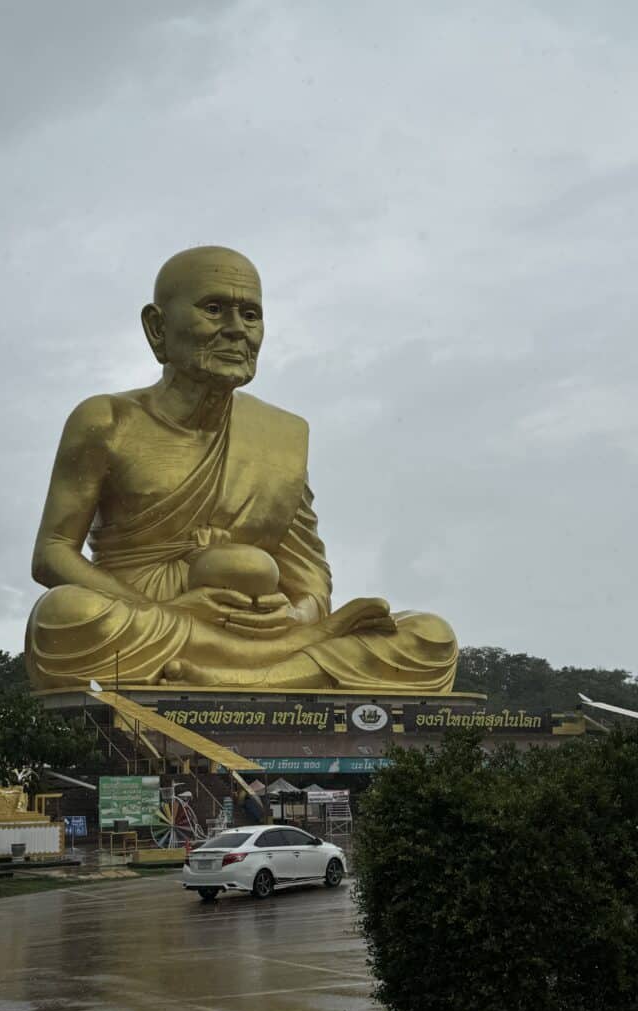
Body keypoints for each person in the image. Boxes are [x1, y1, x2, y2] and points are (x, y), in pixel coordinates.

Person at [25, 247, 457, 692]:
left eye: (251, 315)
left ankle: (233, 674)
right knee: (63, 616)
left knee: (430, 636)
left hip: (265, 631)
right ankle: (269, 676)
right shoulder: (107, 420)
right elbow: (53, 552)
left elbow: (308, 577)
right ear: (157, 328)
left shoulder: (280, 435)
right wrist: (171, 612)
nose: (236, 331)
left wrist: (298, 617)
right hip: (151, 621)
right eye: (214, 310)